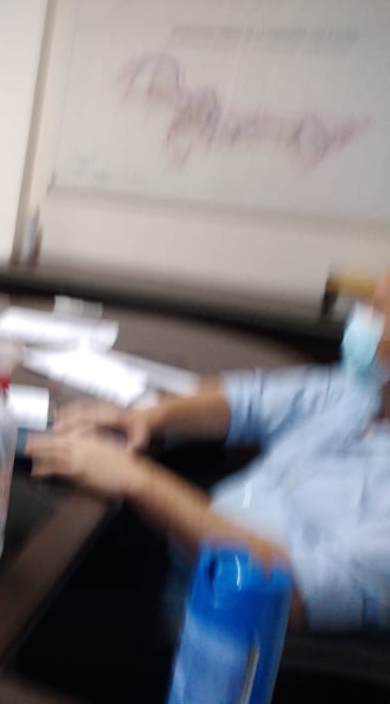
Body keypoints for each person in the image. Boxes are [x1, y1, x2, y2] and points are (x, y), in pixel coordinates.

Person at [27, 270, 390, 632]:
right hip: (182, 544)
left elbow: (291, 590)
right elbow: (247, 401)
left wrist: (138, 481)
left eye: (377, 312)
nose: (360, 321)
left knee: (32, 594)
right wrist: (147, 417)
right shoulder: (362, 389)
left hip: (206, 620)